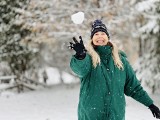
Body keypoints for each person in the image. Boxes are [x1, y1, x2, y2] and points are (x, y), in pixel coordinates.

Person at [68, 19, 160, 120]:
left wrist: (150, 104)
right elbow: (79, 69)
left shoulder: (120, 61)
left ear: (108, 37)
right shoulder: (88, 58)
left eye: (102, 33)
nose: (99, 37)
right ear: (92, 38)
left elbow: (133, 87)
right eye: (96, 34)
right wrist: (80, 56)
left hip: (115, 115)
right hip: (91, 115)